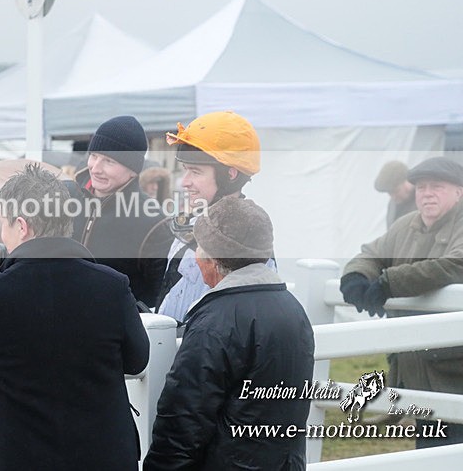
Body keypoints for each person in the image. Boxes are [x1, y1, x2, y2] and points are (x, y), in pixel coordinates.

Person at [0, 164, 150, 471]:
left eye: (3, 225)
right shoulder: (113, 287)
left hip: (14, 459)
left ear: (22, 226)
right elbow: (137, 360)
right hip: (101, 457)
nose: (2, 235)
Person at [0, 115, 172, 308]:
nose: (96, 167)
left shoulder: (154, 223)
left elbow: (158, 305)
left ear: (133, 169)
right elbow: (16, 257)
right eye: (93, 156)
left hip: (103, 346)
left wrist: (107, 315)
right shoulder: (60, 196)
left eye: (110, 161)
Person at [144, 198, 314, 470]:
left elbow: (184, 420)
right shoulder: (292, 309)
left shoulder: (216, 322)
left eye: (199, 246)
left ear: (213, 259)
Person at [340, 156, 463, 448]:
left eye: (437, 186)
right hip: (418, 367)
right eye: (421, 187)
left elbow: (454, 264)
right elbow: (373, 252)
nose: (427, 193)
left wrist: (388, 283)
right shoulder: (407, 224)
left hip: (454, 371)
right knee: (429, 450)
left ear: (459, 191)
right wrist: (356, 277)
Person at [156, 110, 271, 321]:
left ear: (231, 174)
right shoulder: (192, 222)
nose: (184, 182)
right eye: (185, 170)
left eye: (196, 171)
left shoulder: (246, 239)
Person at [374, 160, 416, 228]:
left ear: (407, 182)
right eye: (390, 193)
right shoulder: (393, 205)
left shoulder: (424, 200)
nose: (393, 197)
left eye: (396, 191)